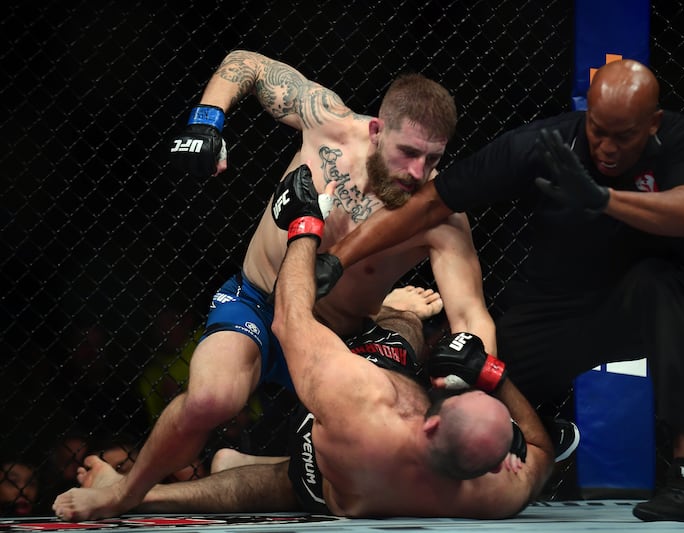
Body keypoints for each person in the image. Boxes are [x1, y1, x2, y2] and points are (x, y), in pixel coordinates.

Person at [52, 49, 496, 521]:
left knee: (379, 452)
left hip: (334, 339)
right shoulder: (331, 124)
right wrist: (207, 123)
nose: (416, 172)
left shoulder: (439, 214)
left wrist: (473, 395)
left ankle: (242, 466)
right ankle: (122, 493)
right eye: (408, 152)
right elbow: (247, 63)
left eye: (432, 159)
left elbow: (471, 317)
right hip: (258, 302)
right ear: (376, 129)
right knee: (210, 398)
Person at [315, 59, 684, 523]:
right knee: (469, 385)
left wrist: (603, 199)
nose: (606, 148)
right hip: (551, 311)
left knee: (662, 283)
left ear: (652, 125)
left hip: (636, 305)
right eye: (597, 130)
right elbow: (432, 202)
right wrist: (338, 258)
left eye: (623, 137)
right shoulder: (544, 145)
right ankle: (537, 435)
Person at [58, 168, 554, 518]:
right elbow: (540, 449)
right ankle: (213, 471)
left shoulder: (364, 405)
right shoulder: (495, 492)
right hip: (346, 493)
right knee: (283, 484)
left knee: (394, 346)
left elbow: (289, 318)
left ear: (428, 425)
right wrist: (493, 373)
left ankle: (127, 492)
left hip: (339, 449)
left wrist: (303, 227)